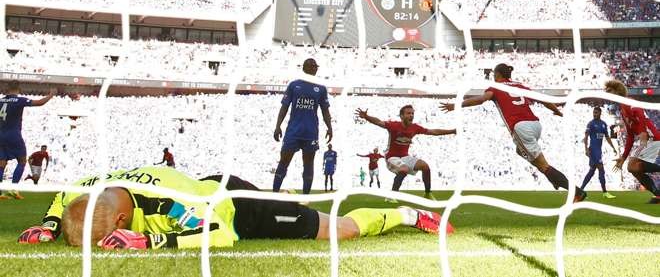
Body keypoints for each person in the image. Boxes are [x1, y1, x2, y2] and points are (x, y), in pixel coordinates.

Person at [17, 166, 453, 249]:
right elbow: (63, 195)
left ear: (120, 219)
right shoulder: (88, 189)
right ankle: (290, 200)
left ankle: (407, 213)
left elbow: (222, 235)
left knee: (338, 230)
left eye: (109, 237)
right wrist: (51, 223)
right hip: (208, 183)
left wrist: (150, 241)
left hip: (235, 207)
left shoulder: (170, 203)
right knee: (298, 205)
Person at [441, 63, 587, 202]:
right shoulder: (520, 86)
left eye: (493, 74)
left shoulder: (496, 87)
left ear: (498, 74)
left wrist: (456, 105)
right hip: (536, 125)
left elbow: (481, 99)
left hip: (520, 127)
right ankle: (553, 177)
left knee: (544, 165)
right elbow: (542, 99)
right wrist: (557, 111)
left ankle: (575, 191)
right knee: (520, 151)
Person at [355, 105, 456, 201]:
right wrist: (367, 117)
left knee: (425, 166)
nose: (411, 115)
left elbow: (433, 132)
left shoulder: (415, 127)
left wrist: (452, 131)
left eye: (412, 113)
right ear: (401, 116)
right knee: (404, 169)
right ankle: (391, 196)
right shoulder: (394, 125)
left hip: (404, 156)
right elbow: (379, 122)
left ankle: (428, 194)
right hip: (392, 157)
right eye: (408, 113)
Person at [273, 58, 332, 194]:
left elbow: (325, 110)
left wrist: (330, 127)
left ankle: (305, 198)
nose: (314, 68)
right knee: (284, 162)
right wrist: (278, 126)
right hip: (293, 131)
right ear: (304, 68)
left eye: (315, 66)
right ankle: (274, 195)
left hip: (310, 132)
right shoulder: (294, 85)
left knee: (308, 164)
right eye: (311, 66)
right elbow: (284, 107)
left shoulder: (321, 89)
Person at [605, 80, 660, 204]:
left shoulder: (630, 103)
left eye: (609, 91)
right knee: (632, 168)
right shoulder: (622, 109)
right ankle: (658, 194)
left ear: (617, 91)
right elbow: (630, 136)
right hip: (648, 138)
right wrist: (623, 157)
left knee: (633, 167)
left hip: (652, 138)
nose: (607, 94)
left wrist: (642, 134)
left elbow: (640, 114)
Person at [0, 82, 56, 200]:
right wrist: (51, 95)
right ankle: (13, 190)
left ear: (7, 89)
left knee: (1, 163)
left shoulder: (1, 101)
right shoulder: (19, 100)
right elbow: (39, 103)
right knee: (21, 161)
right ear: (18, 89)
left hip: (1, 135)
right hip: (13, 135)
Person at [580, 107, 617, 198]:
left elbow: (607, 137)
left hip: (598, 151)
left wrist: (613, 148)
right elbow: (586, 137)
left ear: (600, 113)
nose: (594, 114)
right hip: (593, 150)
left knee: (591, 171)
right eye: (594, 112)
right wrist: (586, 149)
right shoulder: (591, 124)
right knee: (601, 169)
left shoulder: (603, 124)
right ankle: (605, 192)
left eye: (596, 112)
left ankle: (580, 190)